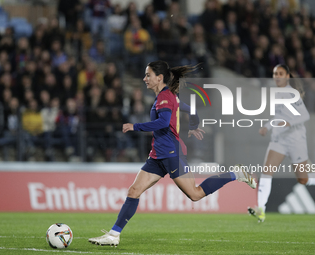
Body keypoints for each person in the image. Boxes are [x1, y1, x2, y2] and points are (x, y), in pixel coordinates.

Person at [88, 60, 257, 246]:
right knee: (134, 191)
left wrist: (134, 126)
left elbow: (162, 122)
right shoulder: (169, 96)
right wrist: (193, 126)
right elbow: (192, 110)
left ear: (159, 78)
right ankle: (113, 235)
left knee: (195, 194)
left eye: (148, 75)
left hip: (170, 153)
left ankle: (235, 174)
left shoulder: (165, 97)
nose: (144, 78)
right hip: (157, 154)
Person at [248, 64, 315, 223]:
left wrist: (288, 123)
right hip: (279, 141)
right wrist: (267, 127)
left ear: (287, 76)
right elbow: (278, 117)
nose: (277, 76)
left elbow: (304, 116)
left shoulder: (292, 94)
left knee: (303, 179)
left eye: (280, 73)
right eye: (275, 73)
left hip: (295, 140)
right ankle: (261, 209)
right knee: (267, 172)